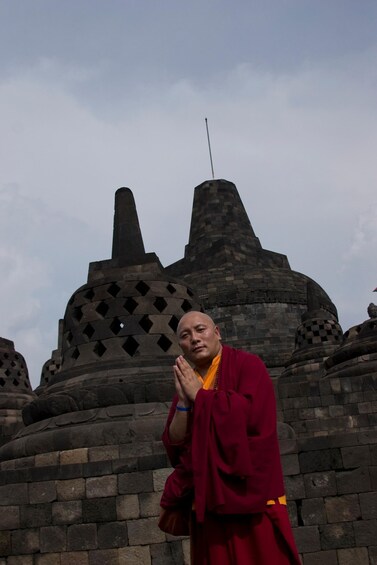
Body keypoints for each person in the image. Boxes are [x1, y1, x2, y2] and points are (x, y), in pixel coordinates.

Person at [159, 311, 301, 564]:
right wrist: (184, 401)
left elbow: (252, 417)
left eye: (200, 330)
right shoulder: (189, 381)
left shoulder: (248, 366)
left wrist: (201, 397)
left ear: (217, 332)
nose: (194, 339)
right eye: (185, 335)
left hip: (250, 493)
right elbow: (175, 443)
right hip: (207, 496)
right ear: (180, 345)